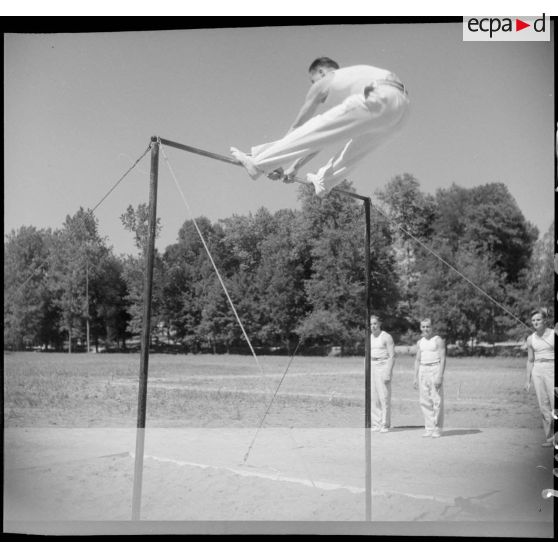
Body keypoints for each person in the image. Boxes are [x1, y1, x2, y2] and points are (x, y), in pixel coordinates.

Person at [231, 57, 410, 197]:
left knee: (315, 125)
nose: (313, 85)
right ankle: (323, 181)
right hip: (402, 109)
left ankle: (259, 162)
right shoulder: (354, 82)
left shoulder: (328, 80)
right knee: (356, 150)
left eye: (312, 80)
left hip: (381, 95)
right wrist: (294, 167)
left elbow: (300, 126)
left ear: (322, 72)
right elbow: (325, 137)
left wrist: (272, 161)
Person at [525, 308, 555, 447]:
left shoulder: (553, 334)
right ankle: (550, 438)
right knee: (544, 406)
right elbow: (530, 360)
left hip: (552, 369)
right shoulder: (530, 339)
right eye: (533, 320)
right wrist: (528, 380)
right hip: (538, 370)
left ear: (545, 321)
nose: (535, 322)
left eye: (538, 319)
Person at [413, 319, 446, 438]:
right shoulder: (420, 342)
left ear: (432, 327)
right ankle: (429, 427)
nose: (425, 329)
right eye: (423, 327)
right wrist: (415, 377)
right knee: (424, 400)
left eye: (428, 326)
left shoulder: (437, 340)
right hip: (423, 370)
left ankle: (437, 428)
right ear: (420, 328)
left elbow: (443, 358)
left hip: (435, 369)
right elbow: (417, 360)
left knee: (437, 400)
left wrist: (440, 376)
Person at [369, 315, 395, 433]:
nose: (373, 326)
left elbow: (392, 356)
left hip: (383, 365)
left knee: (384, 396)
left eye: (375, 323)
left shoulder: (386, 337)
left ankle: (385, 424)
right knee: (374, 398)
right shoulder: (370, 337)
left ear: (379, 324)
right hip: (372, 366)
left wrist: (388, 372)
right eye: (371, 324)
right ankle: (376, 423)